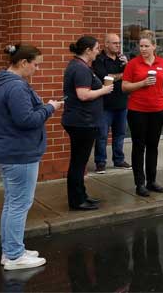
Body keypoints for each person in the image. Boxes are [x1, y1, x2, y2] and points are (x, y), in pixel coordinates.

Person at [0, 44, 62, 270]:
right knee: (19, 204)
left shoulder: (2, 84)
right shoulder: (17, 87)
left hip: (10, 150)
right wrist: (49, 108)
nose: (37, 69)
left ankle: (11, 249)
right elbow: (26, 120)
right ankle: (13, 255)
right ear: (23, 63)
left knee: (13, 203)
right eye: (36, 65)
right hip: (19, 152)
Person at [63, 36, 114, 211]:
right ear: (87, 50)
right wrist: (104, 90)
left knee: (80, 162)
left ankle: (82, 195)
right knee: (78, 162)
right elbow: (83, 95)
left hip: (82, 121)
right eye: (96, 48)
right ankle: (77, 201)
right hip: (81, 122)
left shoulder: (80, 66)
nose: (98, 51)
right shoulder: (80, 69)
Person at [122, 31, 163, 197]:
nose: (143, 49)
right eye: (141, 46)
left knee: (153, 147)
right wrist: (142, 83)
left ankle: (152, 181)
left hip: (157, 111)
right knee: (138, 147)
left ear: (154, 46)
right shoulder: (133, 64)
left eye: (146, 46)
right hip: (137, 111)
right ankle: (139, 183)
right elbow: (124, 87)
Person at [92, 33, 131, 173]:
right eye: (115, 43)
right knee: (102, 135)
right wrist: (121, 75)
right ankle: (100, 163)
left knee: (120, 134)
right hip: (104, 104)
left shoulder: (122, 59)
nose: (118, 45)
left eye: (119, 43)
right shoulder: (99, 59)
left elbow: (131, 75)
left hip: (121, 102)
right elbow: (104, 78)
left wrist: (127, 65)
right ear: (106, 44)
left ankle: (119, 160)